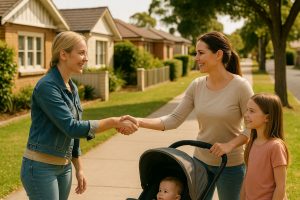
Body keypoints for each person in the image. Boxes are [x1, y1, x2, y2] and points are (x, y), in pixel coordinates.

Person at [120, 31, 254, 200]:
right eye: (195, 53)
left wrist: (229, 145)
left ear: (218, 54)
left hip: (231, 164)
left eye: (201, 53)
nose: (196, 58)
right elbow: (173, 120)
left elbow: (252, 128)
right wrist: (138, 121)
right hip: (200, 164)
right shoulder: (197, 85)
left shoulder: (240, 86)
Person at [20, 31, 138, 200]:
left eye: (86, 53)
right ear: (63, 54)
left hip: (64, 167)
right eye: (81, 53)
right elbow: (72, 128)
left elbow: (74, 132)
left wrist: (79, 168)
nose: (86, 58)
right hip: (40, 168)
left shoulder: (71, 87)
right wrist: (114, 121)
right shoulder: (47, 87)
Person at [240, 93, 289, 200]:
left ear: (267, 118)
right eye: (247, 110)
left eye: (252, 111)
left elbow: (281, 187)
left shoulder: (275, 147)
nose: (246, 114)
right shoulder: (252, 142)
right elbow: (247, 177)